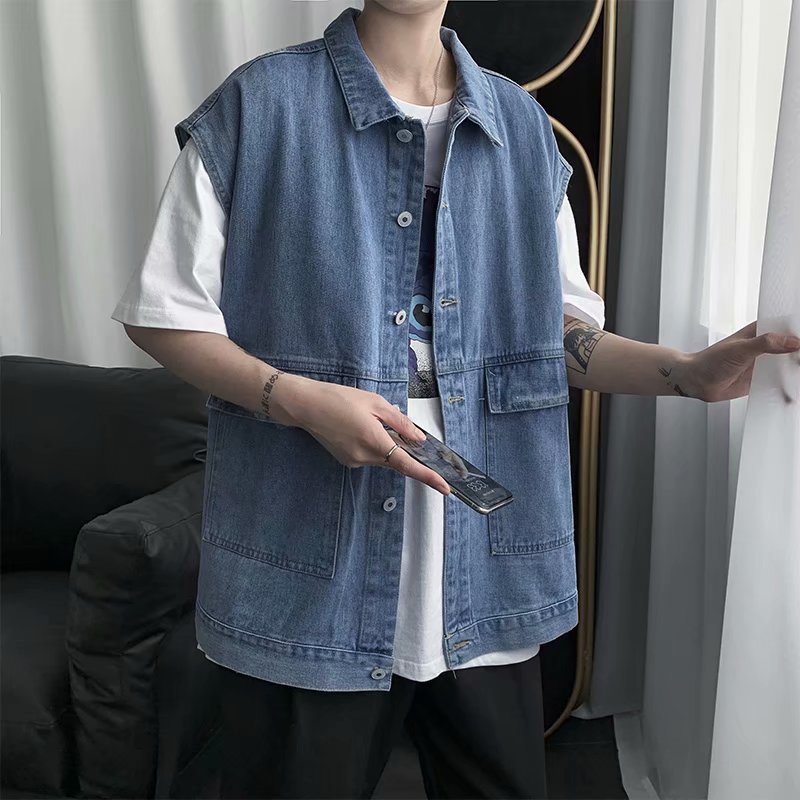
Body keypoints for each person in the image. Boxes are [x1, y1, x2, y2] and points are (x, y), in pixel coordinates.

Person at [112, 2, 800, 797]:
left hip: (486, 564)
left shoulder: (521, 128)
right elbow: (164, 315)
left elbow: (552, 337)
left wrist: (687, 373)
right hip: (310, 565)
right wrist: (300, 403)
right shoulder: (261, 106)